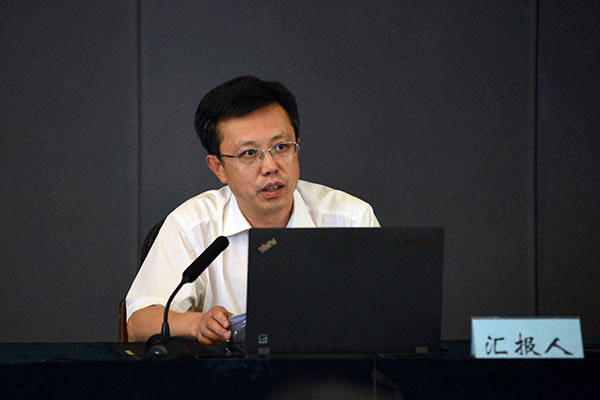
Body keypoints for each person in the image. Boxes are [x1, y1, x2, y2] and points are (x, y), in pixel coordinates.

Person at [126, 76, 380, 344]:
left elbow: (385, 314)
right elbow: (139, 323)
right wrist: (198, 324)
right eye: (249, 153)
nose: (270, 166)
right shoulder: (191, 226)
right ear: (218, 168)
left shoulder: (351, 218)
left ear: (297, 146)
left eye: (281, 147)